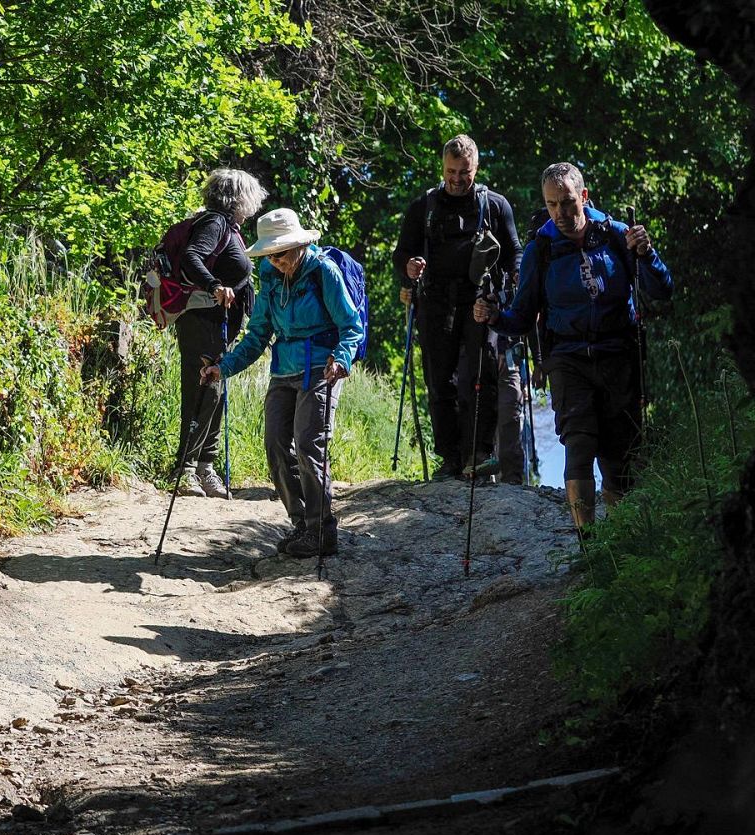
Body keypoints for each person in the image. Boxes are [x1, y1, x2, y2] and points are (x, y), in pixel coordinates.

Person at [474, 162, 672, 533]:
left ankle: (622, 539)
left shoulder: (617, 236)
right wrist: (493, 317)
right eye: (551, 205)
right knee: (578, 446)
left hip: (618, 355)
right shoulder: (542, 249)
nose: (560, 213)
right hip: (567, 358)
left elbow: (662, 291)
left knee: (619, 459)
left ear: (583, 196)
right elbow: (522, 315)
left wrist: (646, 254)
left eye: (566, 202)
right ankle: (589, 542)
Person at [200, 208, 364, 557]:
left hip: (323, 368)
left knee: (308, 444)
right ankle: (302, 525)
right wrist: (223, 367)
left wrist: (342, 358)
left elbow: (352, 327)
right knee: (275, 443)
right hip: (283, 371)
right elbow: (257, 335)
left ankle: (323, 530)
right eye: (270, 255)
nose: (276, 261)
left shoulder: (324, 273)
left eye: (281, 254)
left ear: (299, 245)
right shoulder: (270, 277)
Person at [392, 135, 524, 482]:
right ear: (442, 168)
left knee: (480, 378)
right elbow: (400, 254)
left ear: (475, 169)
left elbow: (515, 252)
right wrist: (409, 269)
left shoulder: (495, 205)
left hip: (481, 300)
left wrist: (516, 278)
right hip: (434, 302)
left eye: (464, 172)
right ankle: (450, 458)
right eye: (451, 171)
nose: (457, 179)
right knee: (441, 382)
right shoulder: (424, 206)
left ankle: (479, 455)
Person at [174, 168, 268, 499]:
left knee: (215, 391)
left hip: (219, 324)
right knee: (203, 389)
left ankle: (205, 467)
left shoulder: (230, 228)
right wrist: (214, 286)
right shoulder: (214, 223)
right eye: (251, 195)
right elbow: (191, 257)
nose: (254, 201)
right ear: (237, 197)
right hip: (203, 321)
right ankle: (186, 469)